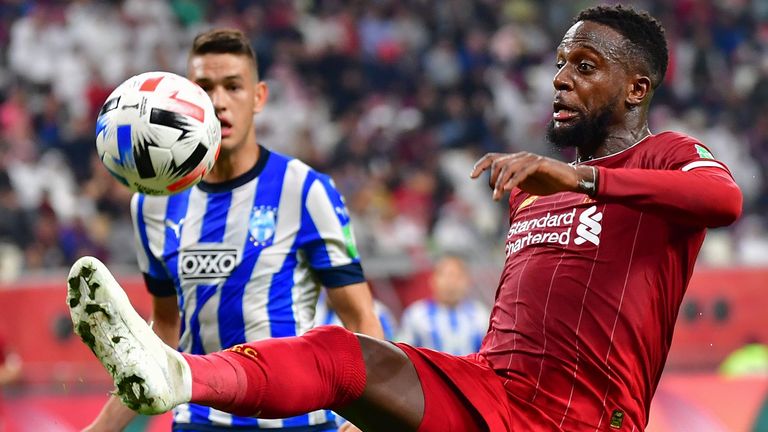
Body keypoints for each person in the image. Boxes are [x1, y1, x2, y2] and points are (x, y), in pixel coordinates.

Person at [68, 6, 743, 431]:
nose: (561, 78)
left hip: (584, 421)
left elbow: (725, 201)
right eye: (560, 62)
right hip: (490, 394)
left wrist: (584, 176)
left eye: (586, 66)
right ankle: (182, 375)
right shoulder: (533, 187)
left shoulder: (665, 158)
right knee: (339, 354)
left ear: (637, 88)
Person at [81, 29, 383, 432]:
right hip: (199, 420)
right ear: (188, 96)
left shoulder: (304, 189)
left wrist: (371, 417)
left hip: (299, 420)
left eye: (233, 87)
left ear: (258, 97)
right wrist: (100, 429)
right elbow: (166, 329)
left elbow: (359, 314)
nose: (219, 101)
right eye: (205, 87)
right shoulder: (151, 204)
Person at [398, 254, 489, 355]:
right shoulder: (416, 314)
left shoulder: (481, 315)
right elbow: (402, 355)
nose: (451, 282)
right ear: (432, 280)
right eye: (446, 275)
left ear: (467, 281)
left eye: (458, 276)